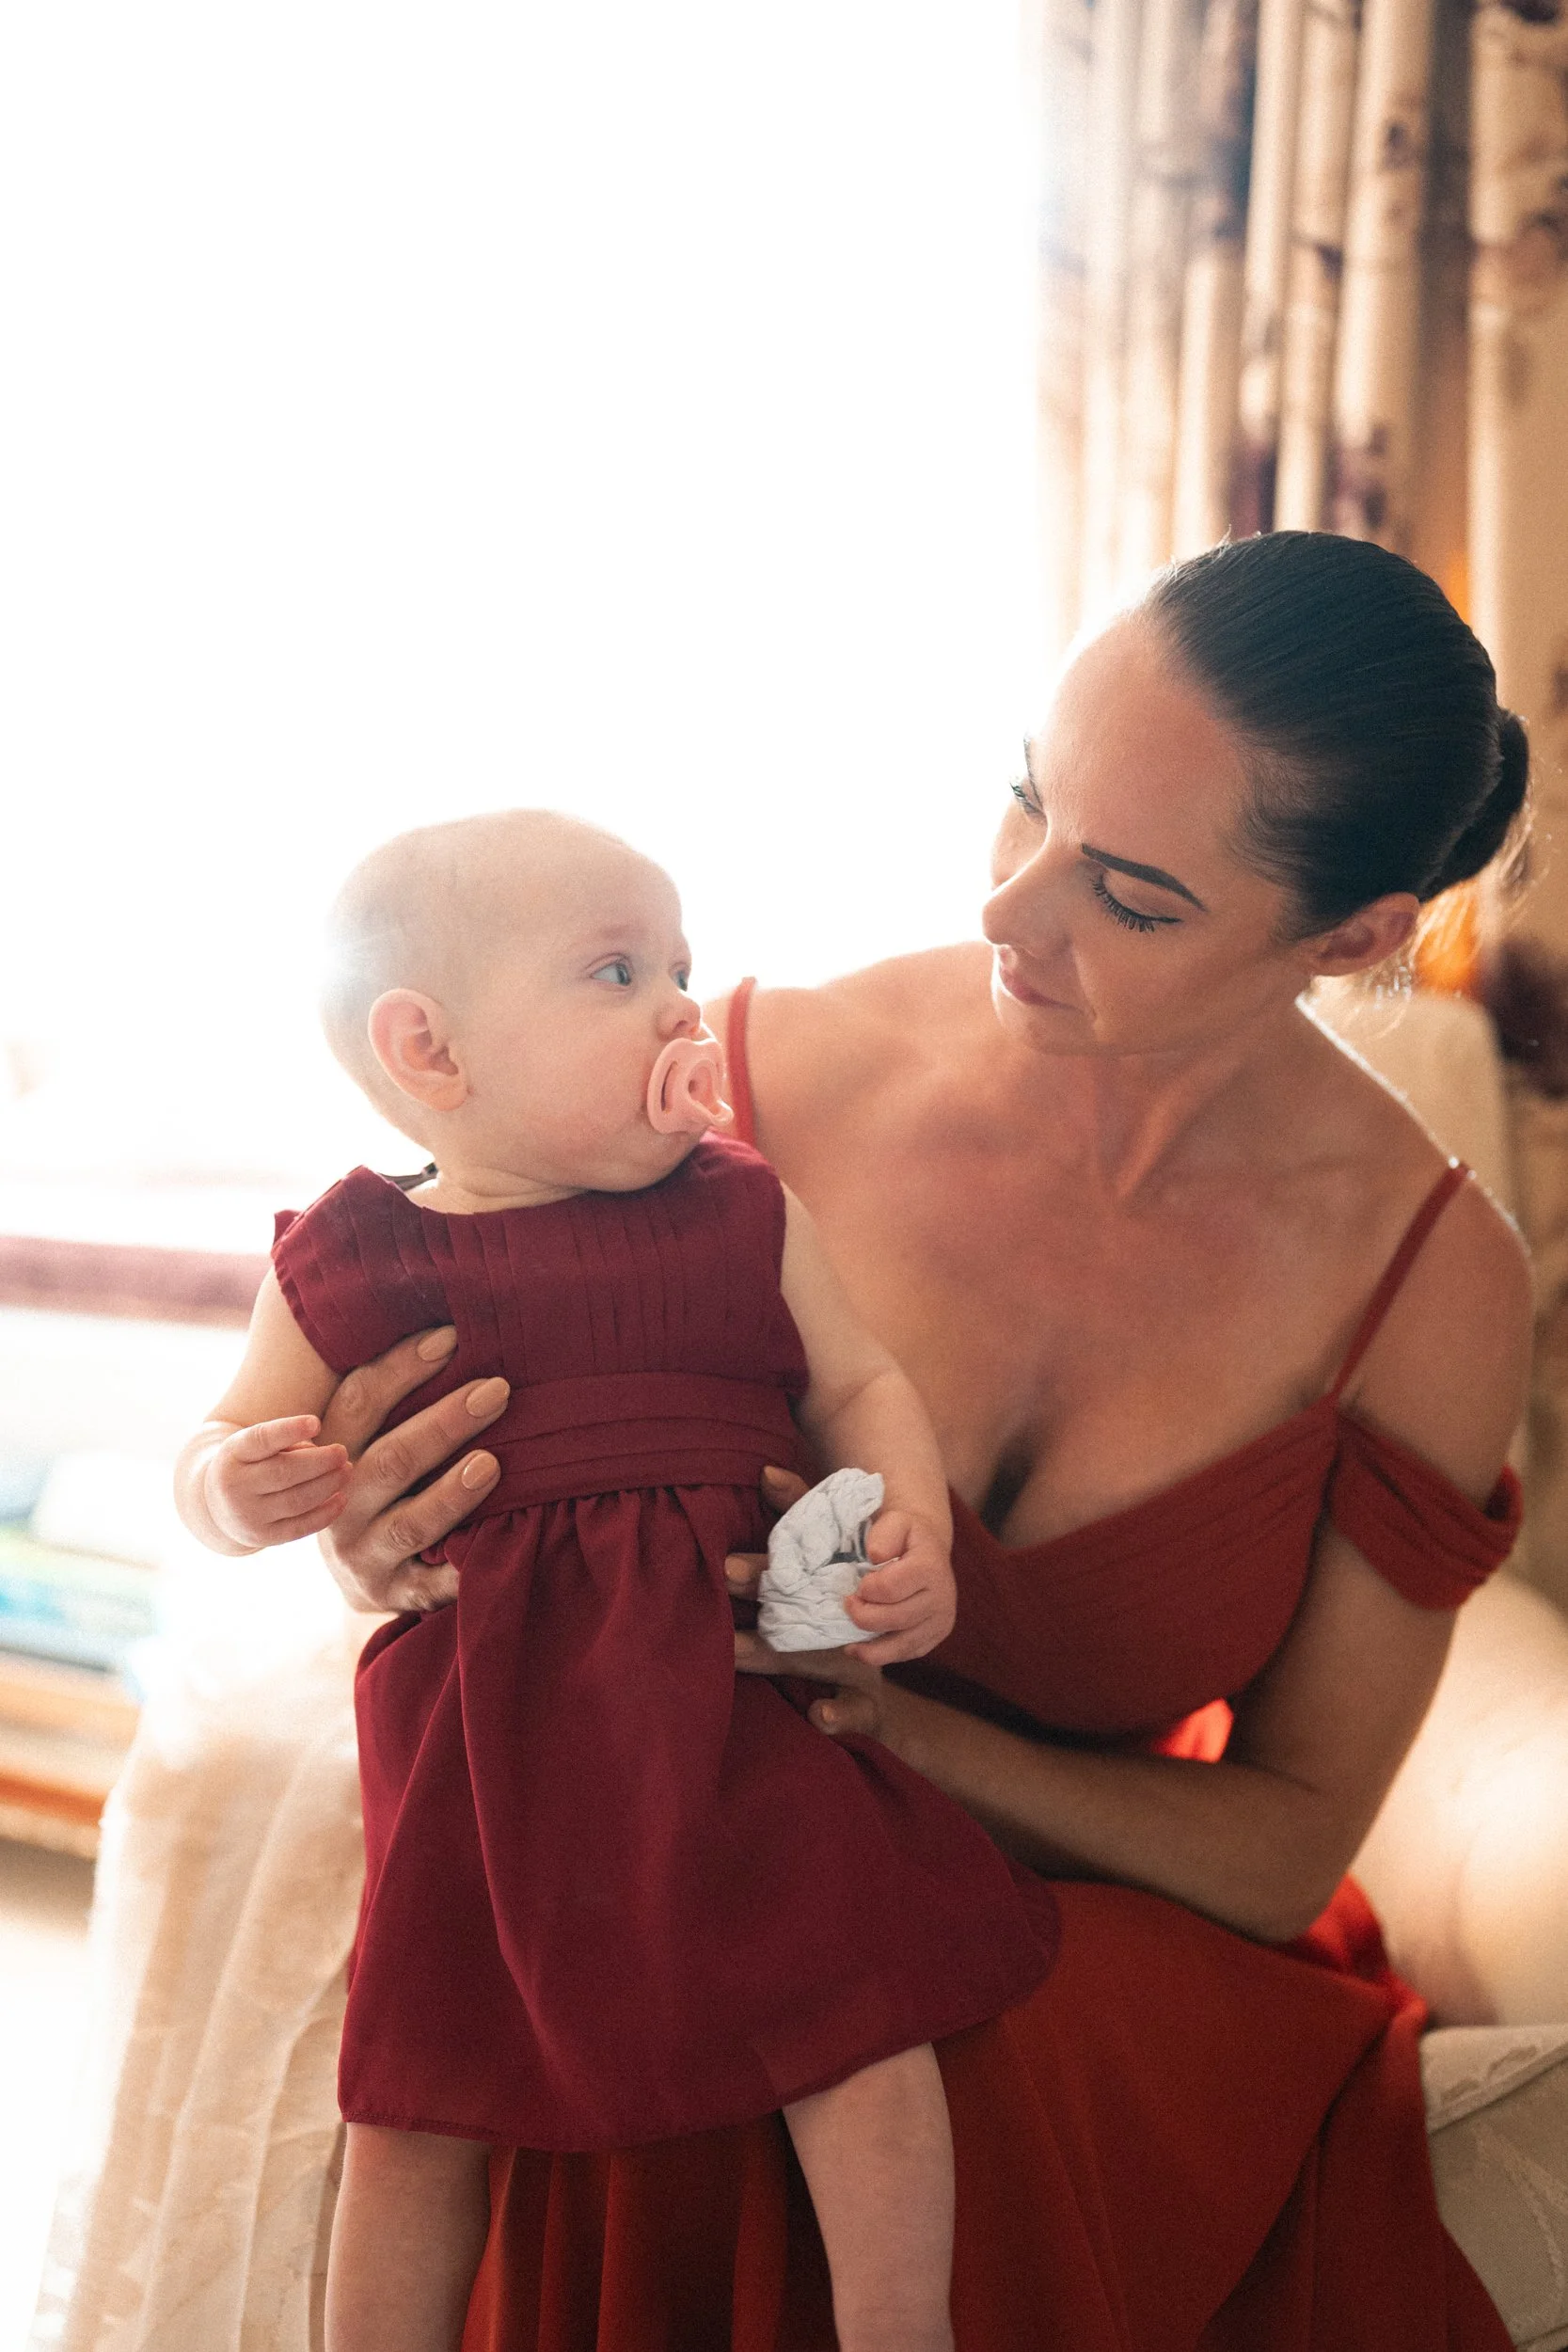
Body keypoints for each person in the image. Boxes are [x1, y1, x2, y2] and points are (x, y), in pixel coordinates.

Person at [301, 533, 1533, 2350]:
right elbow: (437, 1413)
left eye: (1125, 891)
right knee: (687, 2003)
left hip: (1086, 1921)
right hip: (687, 1843)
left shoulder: (1430, 1282)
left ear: (1351, 939)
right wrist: (375, 1534)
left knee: (903, 2039)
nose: (1007, 915)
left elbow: (1278, 1847)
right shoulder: (726, 1084)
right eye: (1023, 803)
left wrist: (895, 1733)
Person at [171, 813, 1057, 2352]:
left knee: (857, 2019)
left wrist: (903, 1533)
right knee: (419, 2090)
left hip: (736, 1693)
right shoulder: (356, 1252)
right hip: (481, 1731)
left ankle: (898, 2325)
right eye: (614, 971)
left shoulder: (738, 1207)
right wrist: (231, 1488)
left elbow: (856, 1388)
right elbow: (232, 1434)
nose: (676, 1008)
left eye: (681, 967)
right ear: (429, 1054)